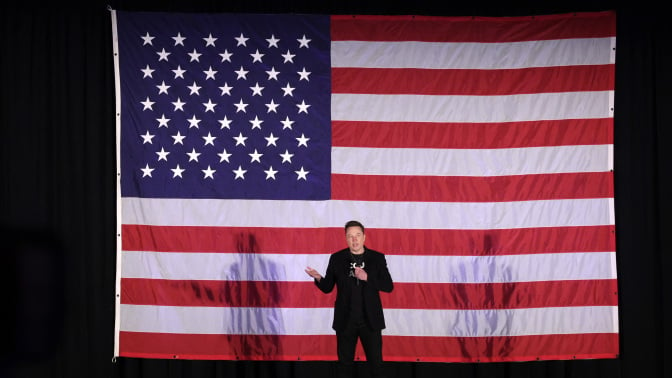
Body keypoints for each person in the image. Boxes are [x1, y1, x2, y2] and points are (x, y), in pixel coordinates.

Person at [305, 220, 394, 378]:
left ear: (364, 237)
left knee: (376, 365)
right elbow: (327, 288)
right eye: (350, 236)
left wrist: (367, 277)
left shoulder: (377, 258)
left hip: (370, 321)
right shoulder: (337, 258)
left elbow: (388, 286)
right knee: (344, 366)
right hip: (346, 321)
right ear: (346, 238)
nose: (354, 239)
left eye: (357, 235)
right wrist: (318, 277)